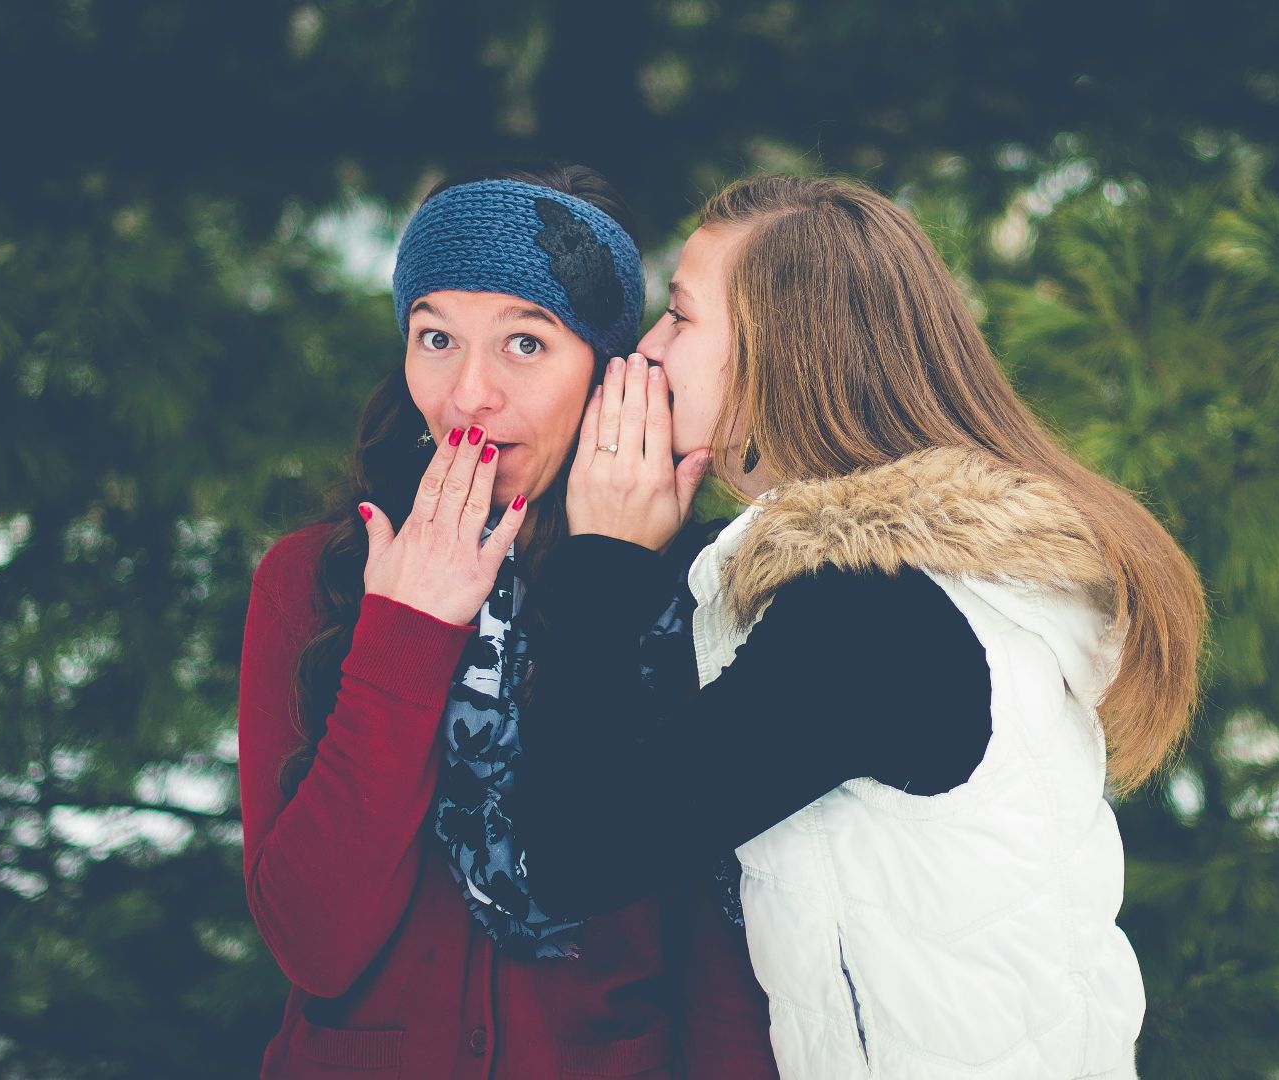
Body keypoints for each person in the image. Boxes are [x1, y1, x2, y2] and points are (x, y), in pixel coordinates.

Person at [502, 173, 1209, 1078]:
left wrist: (602, 564)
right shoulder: (942, 584)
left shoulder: (873, 619)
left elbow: (576, 856)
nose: (647, 349)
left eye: (679, 317)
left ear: (778, 354)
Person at [236, 163, 775, 1078]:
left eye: (526, 342)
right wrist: (405, 633)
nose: (469, 394)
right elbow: (313, 944)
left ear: (606, 371)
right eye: (436, 337)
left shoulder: (696, 587)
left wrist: (613, 578)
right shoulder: (315, 579)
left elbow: (723, 958)